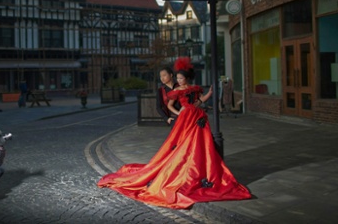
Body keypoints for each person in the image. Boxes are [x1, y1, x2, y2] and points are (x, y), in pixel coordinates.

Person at [97, 57, 251, 209]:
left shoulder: (191, 88)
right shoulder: (171, 90)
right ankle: (183, 170)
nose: (166, 78)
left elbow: (198, 101)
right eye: (163, 76)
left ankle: (201, 170)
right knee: (180, 147)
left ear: (179, 77)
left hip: (198, 118)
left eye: (176, 77)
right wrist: (176, 114)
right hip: (183, 119)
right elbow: (164, 106)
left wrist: (209, 94)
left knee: (200, 144)